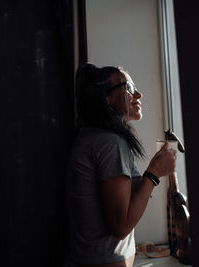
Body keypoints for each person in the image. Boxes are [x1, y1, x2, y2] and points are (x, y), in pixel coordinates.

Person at [66, 63, 177, 267]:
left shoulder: (95, 137)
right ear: (106, 98)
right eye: (129, 87)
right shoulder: (110, 143)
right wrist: (153, 173)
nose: (139, 95)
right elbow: (121, 226)